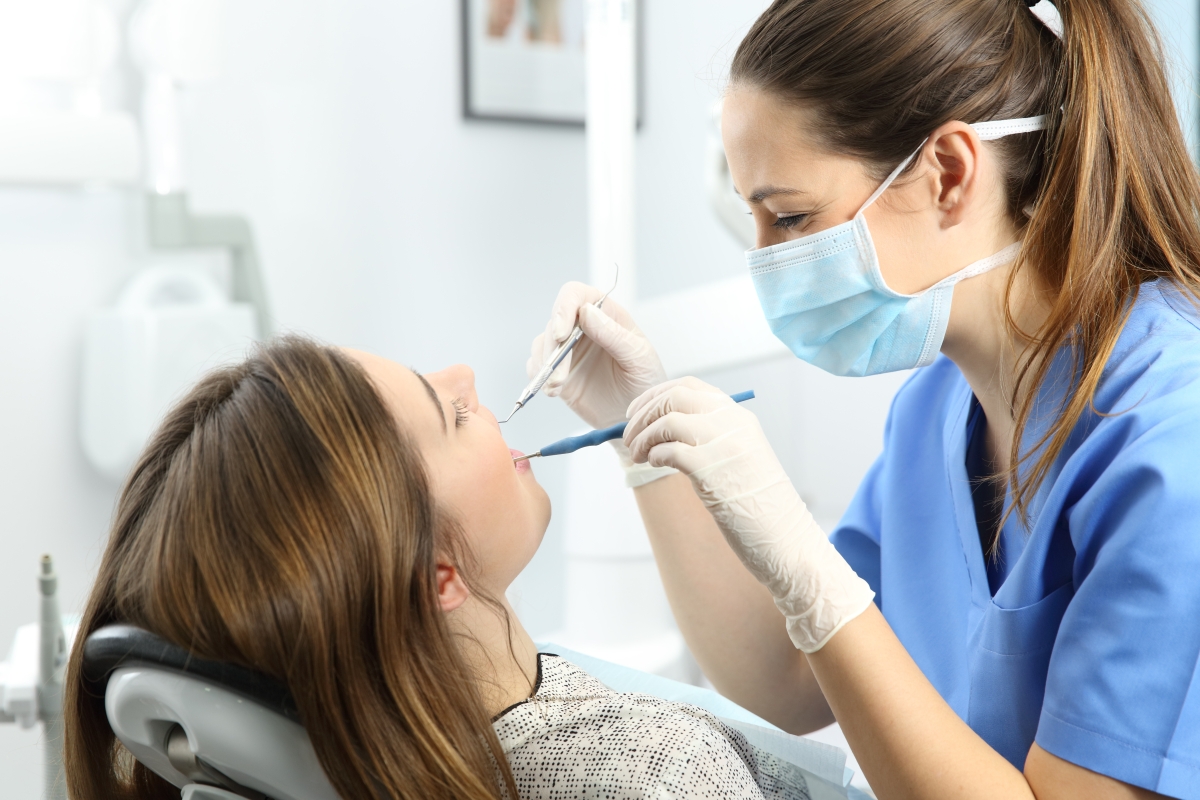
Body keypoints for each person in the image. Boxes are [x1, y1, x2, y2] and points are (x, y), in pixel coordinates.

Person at [529, 0, 1200, 798]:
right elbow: (783, 677)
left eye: (790, 216)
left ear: (950, 174)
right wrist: (643, 433)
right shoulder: (935, 407)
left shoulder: (1171, 439)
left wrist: (812, 569)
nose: (765, 260)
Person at [62, 336, 816, 800]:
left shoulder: (391, 759)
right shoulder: (654, 774)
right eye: (449, 413)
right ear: (436, 578)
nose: (466, 377)